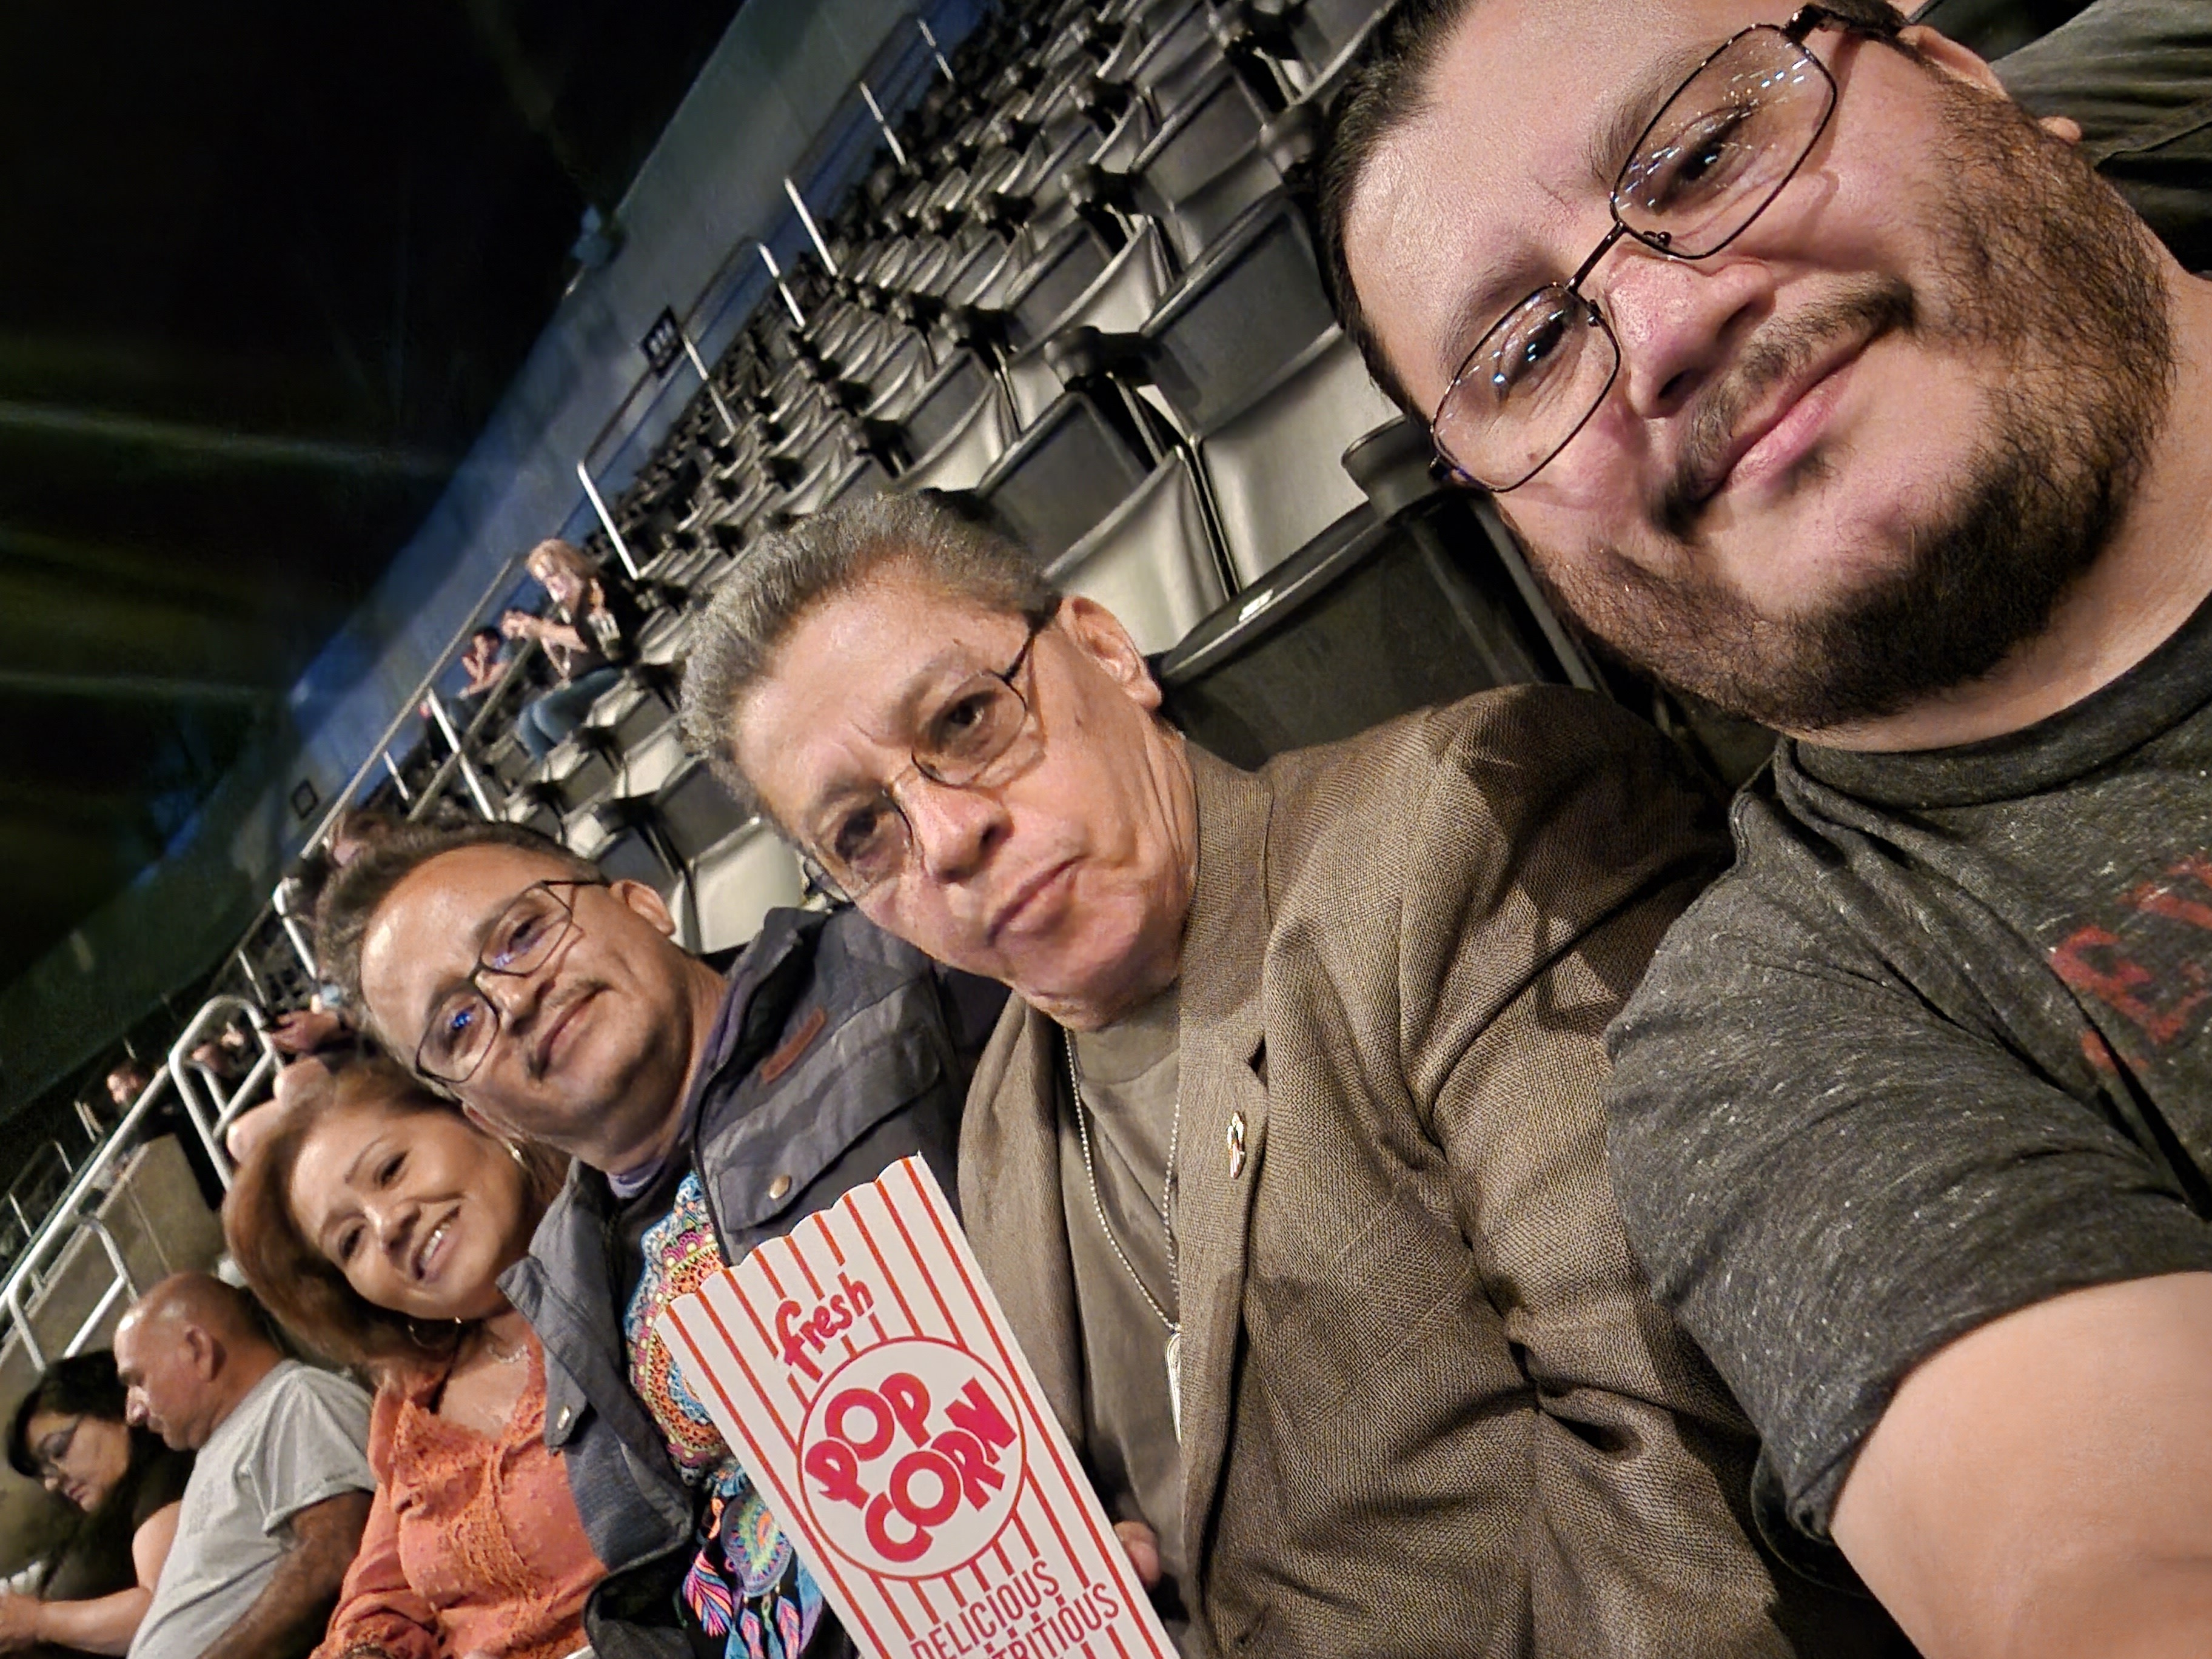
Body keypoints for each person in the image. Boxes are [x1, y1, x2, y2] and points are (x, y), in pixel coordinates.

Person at [1317, 0, 2212, 1651]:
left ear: (1962, 79)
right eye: (1525, 355)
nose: (1660, 328)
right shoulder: (1773, 1045)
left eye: (1706, 150)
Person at [671, 490, 1909, 1655]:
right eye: (862, 833)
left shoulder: (1457, 833)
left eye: (964, 721)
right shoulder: (996, 1116)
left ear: (1105, 652)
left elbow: (1700, 1488)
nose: (946, 838)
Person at [312, 822, 1002, 1659]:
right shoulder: (566, 1283)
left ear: (642, 903)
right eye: (459, 1025)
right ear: (481, 1112)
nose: (513, 1001)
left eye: (522, 935)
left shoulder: (895, 974)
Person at [224, 1056, 598, 1659]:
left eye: (391, 1170)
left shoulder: (635, 1261)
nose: (387, 1225)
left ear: (475, 1115)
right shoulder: (410, 1400)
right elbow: (379, 1596)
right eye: (351, 1241)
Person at [110, 1275, 373, 1659]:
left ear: (198, 1350)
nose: (132, 1412)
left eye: (138, 1381)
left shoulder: (296, 1399)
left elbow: (335, 1553)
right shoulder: (223, 1445)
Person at [0, 1353, 192, 1657]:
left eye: (58, 1450)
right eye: (45, 1472)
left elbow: (163, 1610)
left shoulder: (160, 1481)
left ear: (116, 1412)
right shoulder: (98, 1519)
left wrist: (39, 1621)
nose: (52, 1483)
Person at [504, 538, 646, 760]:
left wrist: (544, 630)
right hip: (588, 678)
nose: (551, 585)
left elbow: (594, 641)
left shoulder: (595, 591)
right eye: (545, 582)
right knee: (527, 721)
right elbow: (568, 672)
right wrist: (549, 644)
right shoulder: (566, 613)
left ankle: (603, 758)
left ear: (569, 564)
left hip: (615, 667)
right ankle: (563, 774)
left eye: (552, 575)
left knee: (547, 710)